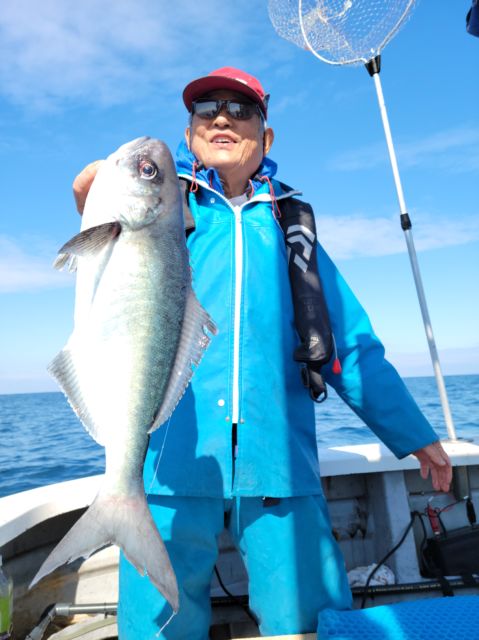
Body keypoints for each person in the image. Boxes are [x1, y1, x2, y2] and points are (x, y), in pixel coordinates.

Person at [73, 67, 452, 639]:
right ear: (190, 132)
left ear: (266, 137)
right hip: (171, 465)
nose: (222, 118)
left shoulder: (292, 231)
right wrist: (92, 198)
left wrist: (414, 434)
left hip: (279, 461)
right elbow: (105, 272)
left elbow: (351, 346)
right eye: (206, 110)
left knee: (315, 624)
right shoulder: (158, 211)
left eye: (241, 109)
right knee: (156, 628)